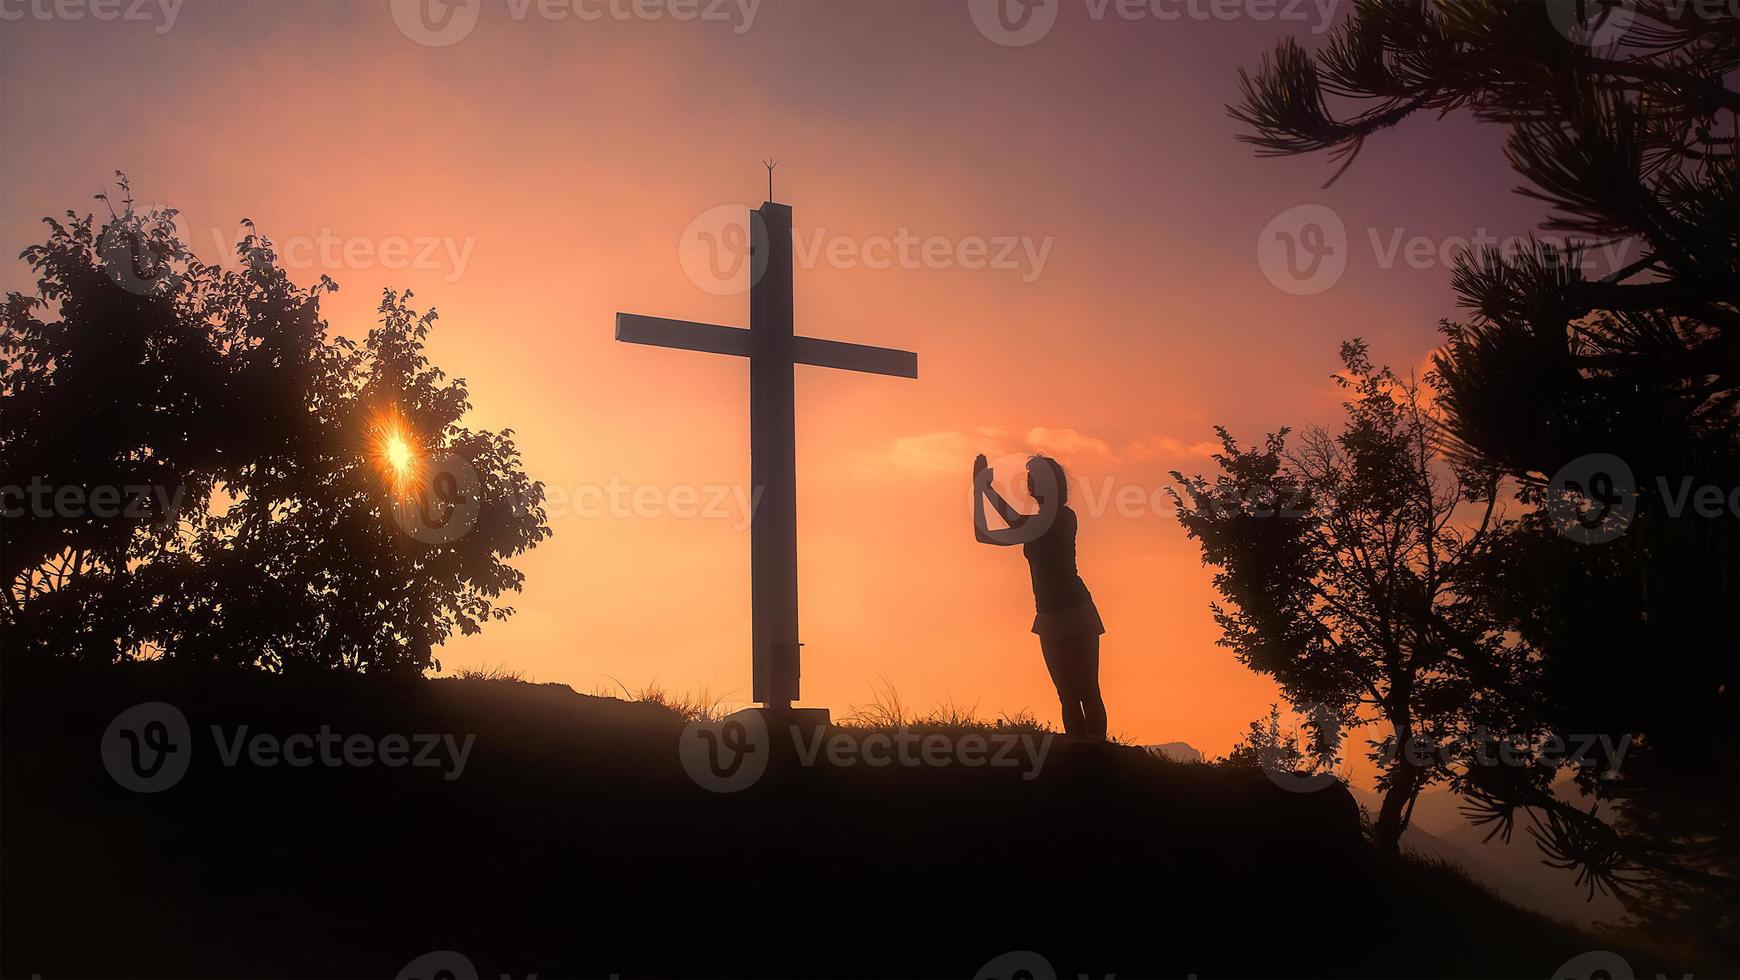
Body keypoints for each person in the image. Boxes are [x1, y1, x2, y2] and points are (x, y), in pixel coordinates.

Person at [974, 453, 1107, 740]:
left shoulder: (1062, 517)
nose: (1030, 481)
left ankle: (1098, 755)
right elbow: (983, 535)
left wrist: (985, 489)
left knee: (1086, 691)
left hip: (1074, 612)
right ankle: (1080, 755)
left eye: (1035, 476)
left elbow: (1013, 524)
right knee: (1067, 695)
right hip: (1047, 616)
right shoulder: (1039, 522)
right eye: (1029, 476)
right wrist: (980, 490)